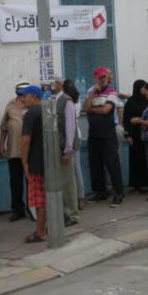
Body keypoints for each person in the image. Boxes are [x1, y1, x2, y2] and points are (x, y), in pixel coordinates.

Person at [84, 67, 125, 207]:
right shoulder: (91, 92)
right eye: (100, 77)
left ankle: (118, 192)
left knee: (112, 164)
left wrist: (92, 110)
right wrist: (92, 95)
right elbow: (86, 108)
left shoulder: (111, 91)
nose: (103, 79)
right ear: (96, 78)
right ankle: (100, 192)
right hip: (94, 134)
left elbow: (106, 109)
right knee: (95, 164)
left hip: (108, 134)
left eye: (104, 77)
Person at [20, 85, 49, 242]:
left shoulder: (31, 114)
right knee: (49, 196)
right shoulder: (48, 110)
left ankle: (40, 232)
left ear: (34, 96)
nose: (23, 99)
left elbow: (25, 140)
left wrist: (24, 160)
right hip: (50, 161)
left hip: (36, 162)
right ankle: (48, 228)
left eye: (25, 96)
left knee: (39, 199)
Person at [0, 82, 30, 221]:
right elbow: (4, 126)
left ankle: (33, 209)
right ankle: (18, 210)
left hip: (30, 150)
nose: (21, 97)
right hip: (14, 150)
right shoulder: (10, 104)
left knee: (31, 181)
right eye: (18, 94)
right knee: (15, 182)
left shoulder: (33, 104)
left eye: (23, 95)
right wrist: (1, 144)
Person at [54, 78, 80, 226]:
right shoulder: (55, 100)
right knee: (61, 183)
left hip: (65, 148)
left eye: (54, 82)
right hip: (57, 148)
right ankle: (64, 212)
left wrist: (68, 149)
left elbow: (70, 126)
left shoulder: (66, 101)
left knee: (67, 183)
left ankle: (72, 214)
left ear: (59, 85)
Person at [123, 80, 148, 192]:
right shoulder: (130, 102)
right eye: (143, 87)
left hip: (145, 134)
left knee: (145, 159)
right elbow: (125, 119)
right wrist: (127, 135)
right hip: (134, 135)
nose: (145, 89)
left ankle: (145, 183)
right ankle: (135, 183)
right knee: (135, 159)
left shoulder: (147, 100)